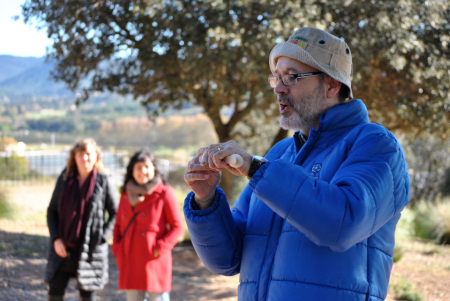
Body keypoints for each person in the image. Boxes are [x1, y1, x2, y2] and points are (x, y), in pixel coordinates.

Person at [183, 27, 410, 301]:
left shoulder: (376, 145)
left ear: (331, 85)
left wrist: (254, 167)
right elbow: (227, 260)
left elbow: (343, 224)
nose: (278, 88)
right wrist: (205, 200)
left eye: (291, 77)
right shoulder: (279, 154)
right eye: (276, 78)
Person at [45, 138, 118, 301]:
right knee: (55, 292)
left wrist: (103, 237)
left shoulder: (104, 180)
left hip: (90, 249)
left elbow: (116, 212)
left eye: (88, 154)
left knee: (87, 296)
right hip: (63, 247)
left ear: (96, 156)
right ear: (74, 156)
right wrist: (56, 239)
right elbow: (51, 211)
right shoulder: (64, 178)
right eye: (80, 154)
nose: (84, 158)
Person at [112, 149, 184, 301]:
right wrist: (117, 248)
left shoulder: (165, 193)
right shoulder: (125, 194)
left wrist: (159, 248)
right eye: (138, 167)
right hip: (130, 261)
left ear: (154, 169)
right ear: (132, 170)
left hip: (154, 262)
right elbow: (118, 225)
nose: (142, 171)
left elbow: (178, 227)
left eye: (146, 167)